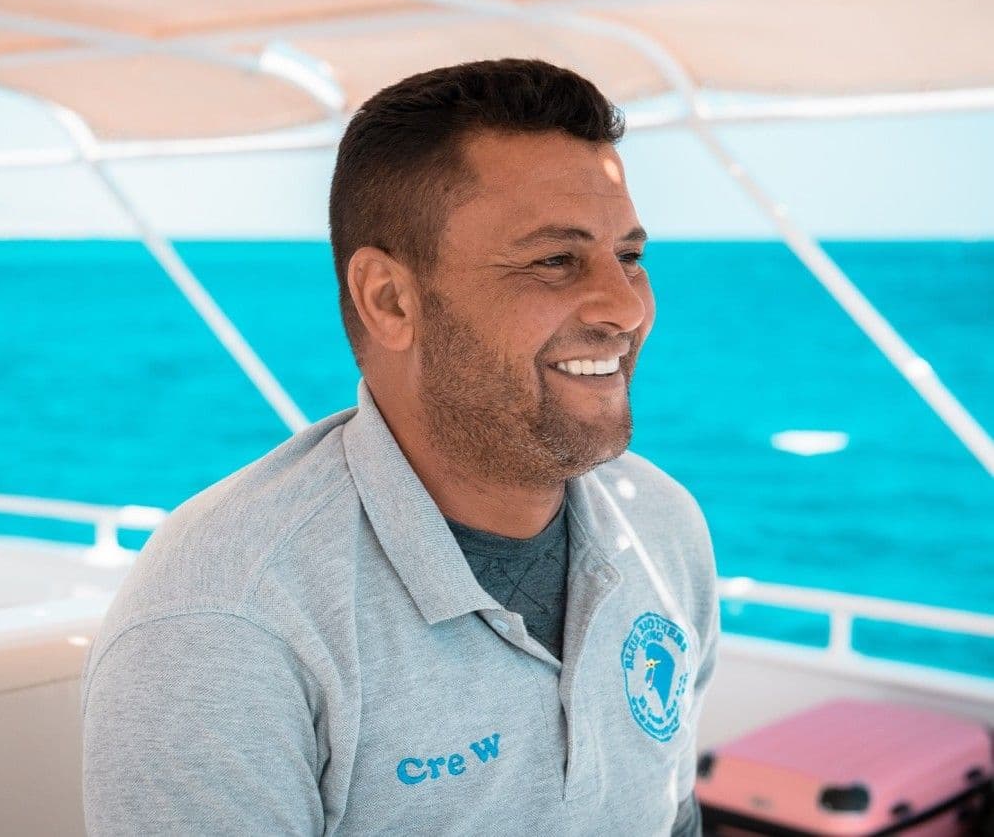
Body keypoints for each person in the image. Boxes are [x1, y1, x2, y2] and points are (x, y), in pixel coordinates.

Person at [81, 58, 719, 836]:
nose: (626, 308)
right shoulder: (221, 623)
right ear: (390, 300)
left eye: (630, 257)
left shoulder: (664, 525)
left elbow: (672, 816)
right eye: (556, 259)